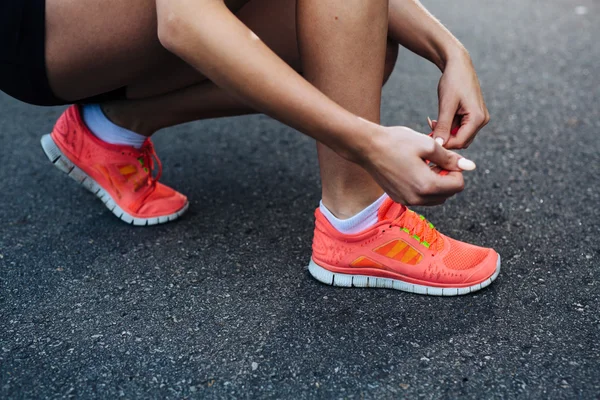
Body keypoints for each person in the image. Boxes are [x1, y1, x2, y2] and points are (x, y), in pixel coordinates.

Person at [0, 0, 499, 295]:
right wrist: (368, 144)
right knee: (341, 43)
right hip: (44, 27)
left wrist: (451, 52)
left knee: (352, 41)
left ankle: (111, 129)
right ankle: (358, 223)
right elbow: (186, 21)